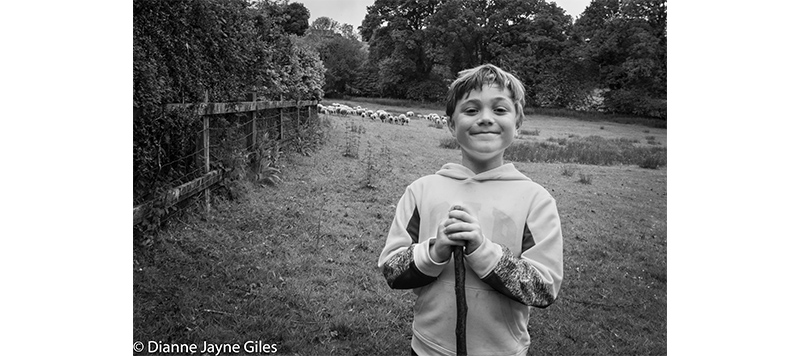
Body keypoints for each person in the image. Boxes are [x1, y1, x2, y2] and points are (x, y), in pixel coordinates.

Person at [377, 64, 564, 356]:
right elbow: (391, 270)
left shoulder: (535, 200)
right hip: (427, 348)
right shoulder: (421, 192)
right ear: (452, 124)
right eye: (471, 110)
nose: (486, 119)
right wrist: (435, 251)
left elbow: (543, 288)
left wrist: (482, 251)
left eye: (500, 110)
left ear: (518, 122)